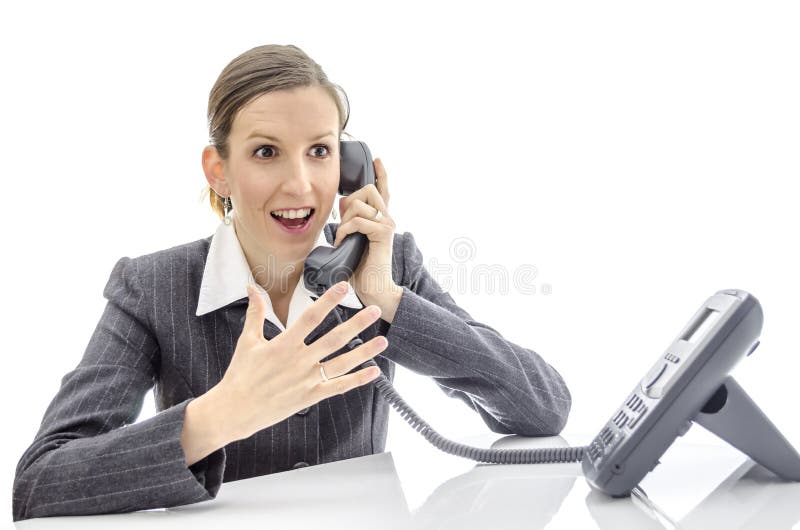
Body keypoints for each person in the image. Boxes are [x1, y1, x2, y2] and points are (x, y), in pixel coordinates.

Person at [12, 43, 572, 522]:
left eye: (320, 152)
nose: (300, 184)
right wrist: (217, 417)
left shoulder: (388, 264)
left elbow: (542, 409)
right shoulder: (152, 287)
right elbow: (40, 483)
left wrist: (387, 301)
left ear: (352, 168)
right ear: (219, 170)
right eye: (265, 152)